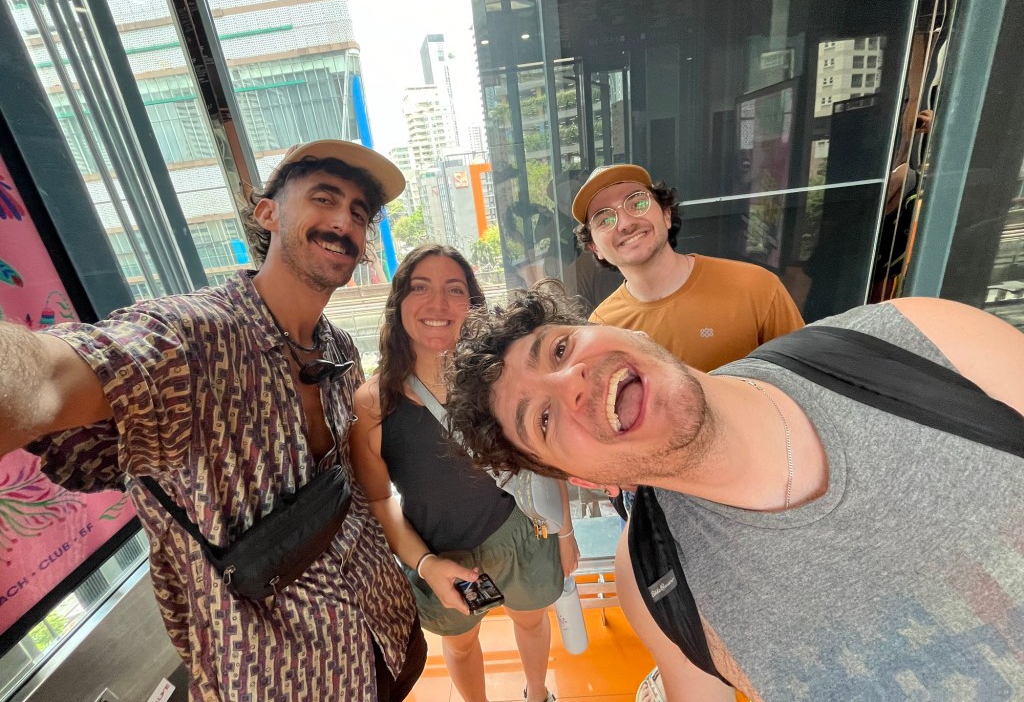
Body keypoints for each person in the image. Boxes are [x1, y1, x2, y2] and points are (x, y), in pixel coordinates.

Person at [444, 286, 1024, 701]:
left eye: (560, 349)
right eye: (543, 420)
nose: (570, 381)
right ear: (587, 481)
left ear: (629, 329)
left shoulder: (913, 339)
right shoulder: (654, 585)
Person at [0, 140, 427, 701]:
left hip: (386, 629)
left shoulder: (339, 349)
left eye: (359, 212)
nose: (344, 222)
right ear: (268, 213)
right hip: (282, 674)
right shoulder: (190, 338)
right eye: (324, 198)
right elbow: (50, 377)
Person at [349, 243, 578, 702]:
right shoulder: (372, 403)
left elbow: (541, 459)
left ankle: (537, 694)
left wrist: (565, 532)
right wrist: (425, 564)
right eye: (420, 288)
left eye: (454, 290)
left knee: (531, 620)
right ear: (399, 303)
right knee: (459, 642)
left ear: (472, 304)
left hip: (519, 533)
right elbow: (378, 498)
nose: (438, 304)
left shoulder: (501, 378)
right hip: (438, 550)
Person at [573, 164, 804, 372]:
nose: (625, 223)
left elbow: (806, 384)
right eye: (604, 219)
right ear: (595, 248)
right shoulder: (602, 329)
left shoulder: (756, 287)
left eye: (637, 203)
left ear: (666, 215)